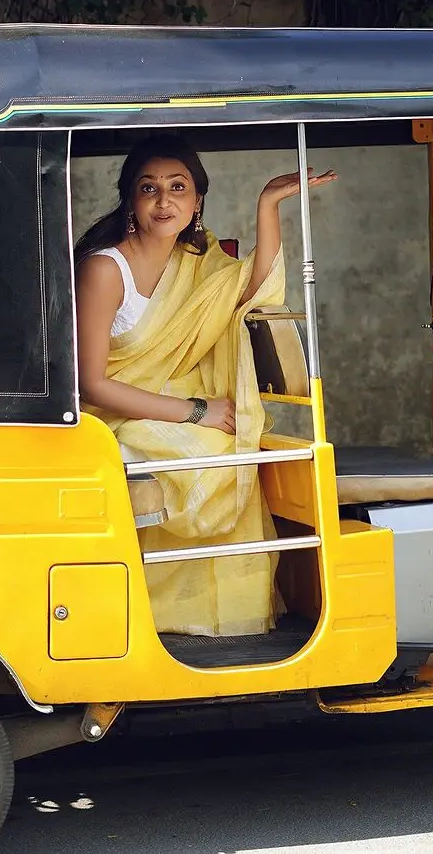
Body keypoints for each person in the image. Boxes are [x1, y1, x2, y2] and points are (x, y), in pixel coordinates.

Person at [75, 134, 336, 638]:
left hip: (161, 409)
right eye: (148, 188)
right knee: (208, 448)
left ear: (197, 203)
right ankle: (146, 616)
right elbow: (92, 383)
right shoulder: (106, 269)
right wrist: (197, 411)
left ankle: (201, 620)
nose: (164, 199)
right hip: (105, 417)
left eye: (178, 187)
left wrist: (268, 203)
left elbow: (253, 288)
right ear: (130, 199)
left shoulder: (196, 264)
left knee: (234, 445)